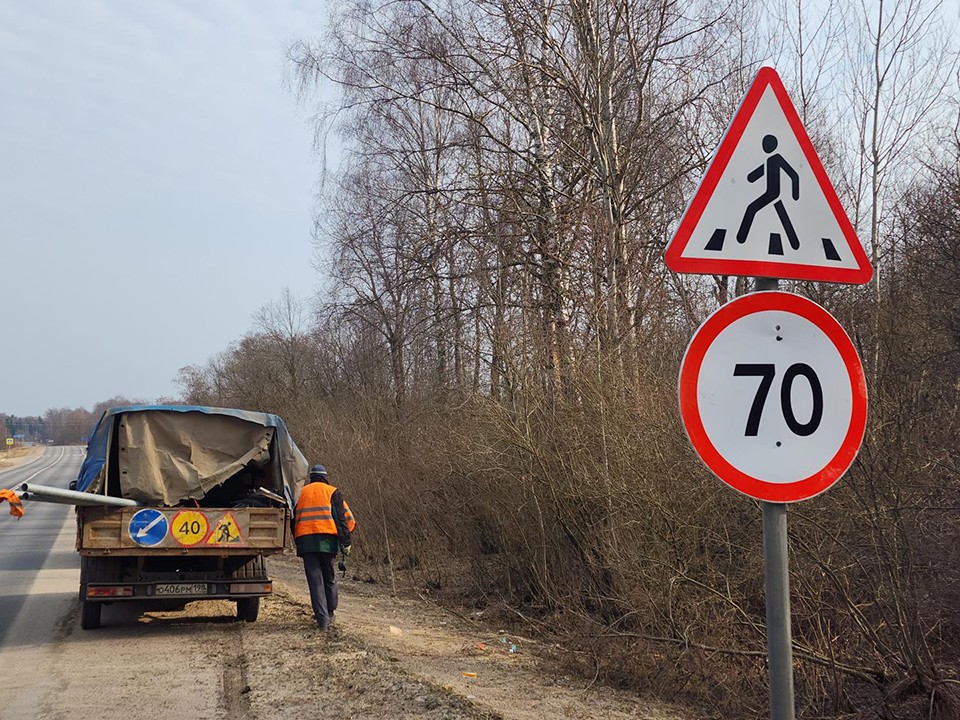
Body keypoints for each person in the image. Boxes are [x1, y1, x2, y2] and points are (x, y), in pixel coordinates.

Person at [292, 464, 352, 630]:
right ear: (325, 477)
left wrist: (297, 539)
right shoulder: (332, 491)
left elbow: (292, 520)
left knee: (315, 581)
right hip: (327, 541)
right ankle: (330, 613)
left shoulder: (300, 493)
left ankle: (322, 620)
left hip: (306, 542)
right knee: (329, 577)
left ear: (311, 478)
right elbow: (341, 519)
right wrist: (346, 542)